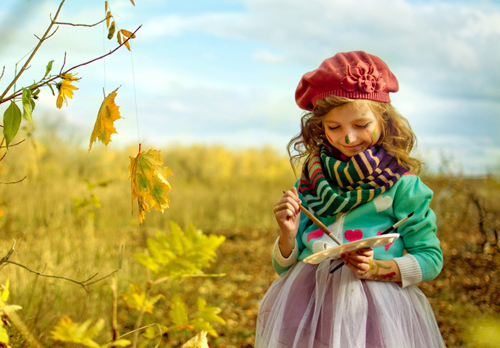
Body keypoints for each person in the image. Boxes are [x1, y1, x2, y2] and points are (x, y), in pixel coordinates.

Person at [255, 51, 446, 348]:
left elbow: (431, 259)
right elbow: (283, 269)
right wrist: (288, 234)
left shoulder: (403, 186)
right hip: (309, 308)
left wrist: (379, 269)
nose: (347, 139)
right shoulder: (308, 184)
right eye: (334, 127)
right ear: (320, 128)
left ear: (384, 120)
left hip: (378, 316)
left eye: (360, 125)